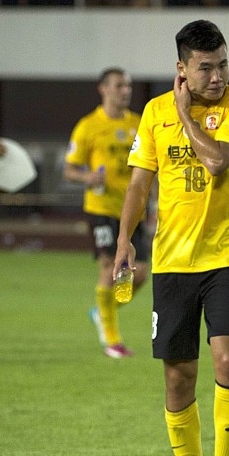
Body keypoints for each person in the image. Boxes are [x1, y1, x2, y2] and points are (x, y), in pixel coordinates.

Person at [113, 20, 229, 456]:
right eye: (205, 67)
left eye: (222, 65)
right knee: (179, 379)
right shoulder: (153, 114)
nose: (217, 76)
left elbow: (218, 162)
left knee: (228, 364)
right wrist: (124, 242)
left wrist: (186, 117)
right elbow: (138, 184)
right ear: (182, 68)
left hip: (227, 259)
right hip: (173, 263)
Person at [63, 67, 148, 359]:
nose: (125, 90)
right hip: (101, 210)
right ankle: (112, 340)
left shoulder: (139, 124)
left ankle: (102, 311)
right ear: (103, 89)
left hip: (132, 211)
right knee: (109, 268)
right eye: (119, 85)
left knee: (138, 276)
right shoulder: (88, 126)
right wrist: (87, 178)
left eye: (128, 85)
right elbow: (69, 169)